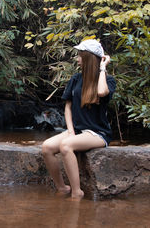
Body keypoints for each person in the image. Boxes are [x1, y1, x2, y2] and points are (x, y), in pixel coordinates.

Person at [41, 39, 116, 200]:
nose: (77, 59)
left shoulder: (107, 80)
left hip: (97, 133)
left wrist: (103, 68)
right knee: (47, 147)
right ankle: (62, 188)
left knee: (66, 145)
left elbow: (102, 92)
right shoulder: (76, 79)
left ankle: (77, 192)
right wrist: (71, 130)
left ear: (89, 58)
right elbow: (68, 107)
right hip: (77, 130)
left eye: (80, 56)